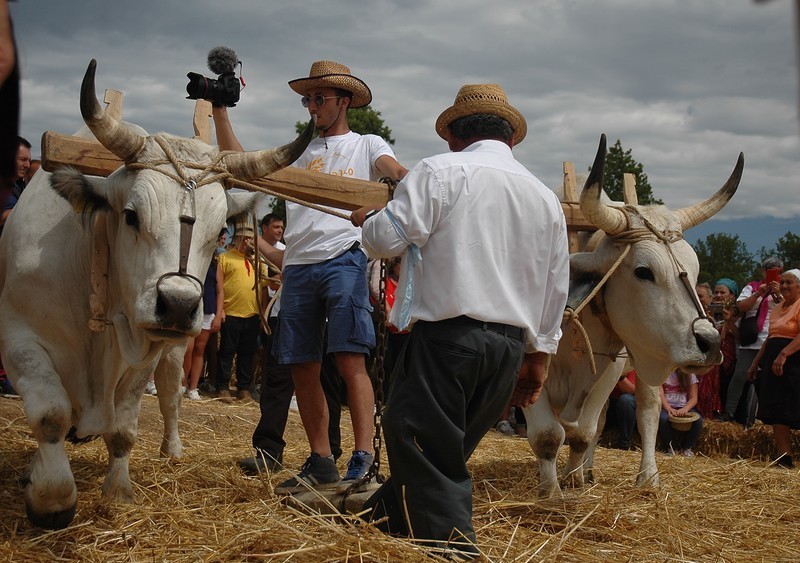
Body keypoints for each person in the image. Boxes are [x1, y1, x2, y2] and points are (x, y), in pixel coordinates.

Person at [354, 83, 570, 556]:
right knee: (440, 449)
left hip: (448, 340)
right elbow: (556, 287)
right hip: (507, 349)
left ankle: (455, 550)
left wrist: (369, 219)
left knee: (417, 438)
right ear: (511, 139)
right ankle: (384, 520)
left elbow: (388, 239)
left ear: (453, 135)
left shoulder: (438, 170)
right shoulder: (544, 198)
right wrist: (538, 361)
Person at [214, 60, 407, 492]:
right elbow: (242, 165)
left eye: (320, 98)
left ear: (344, 101)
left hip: (343, 256)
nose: (312, 106)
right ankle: (321, 459)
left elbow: (398, 176)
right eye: (308, 98)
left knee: (349, 357)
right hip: (299, 265)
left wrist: (382, 204)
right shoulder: (299, 150)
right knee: (302, 364)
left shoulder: (367, 143)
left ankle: (363, 456)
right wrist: (220, 111)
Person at [748, 269, 800, 468]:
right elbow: (770, 338)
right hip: (774, 360)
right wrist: (755, 363)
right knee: (779, 410)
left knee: (795, 405)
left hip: (794, 361)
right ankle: (784, 457)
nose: (784, 286)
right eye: (783, 282)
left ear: (799, 286)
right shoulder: (777, 308)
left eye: (789, 282)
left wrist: (785, 354)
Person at [721, 257, 783, 423]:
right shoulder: (752, 287)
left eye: (777, 271)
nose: (773, 274)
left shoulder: (785, 288)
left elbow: (789, 308)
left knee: (769, 380)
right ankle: (729, 412)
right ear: (763, 271)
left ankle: (767, 417)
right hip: (751, 340)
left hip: (772, 339)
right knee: (740, 376)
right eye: (770, 270)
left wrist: (777, 293)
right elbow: (740, 307)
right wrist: (759, 293)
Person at [215, 224, 268, 403]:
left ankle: (244, 388)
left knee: (247, 353)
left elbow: (264, 290)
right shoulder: (224, 258)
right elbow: (218, 287)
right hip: (231, 312)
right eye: (244, 239)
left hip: (252, 314)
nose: (247, 243)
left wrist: (263, 314)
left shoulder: (260, 262)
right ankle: (222, 387)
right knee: (227, 352)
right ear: (236, 239)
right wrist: (220, 309)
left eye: (251, 239)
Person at [182, 236, 225, 401]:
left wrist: (218, 314)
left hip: (208, 310)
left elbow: (220, 291)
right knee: (188, 349)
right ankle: (182, 384)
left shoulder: (216, 265)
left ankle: (193, 388)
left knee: (200, 350)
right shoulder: (191, 260)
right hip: (191, 309)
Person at [697, 278, 739, 418]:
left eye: (723, 292)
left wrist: (729, 321)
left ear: (732, 296)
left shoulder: (738, 313)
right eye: (716, 292)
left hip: (729, 357)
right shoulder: (709, 313)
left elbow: (740, 337)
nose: (719, 295)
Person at [658, 369, 703, 456]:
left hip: (684, 407)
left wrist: (685, 409)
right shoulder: (663, 371)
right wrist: (668, 408)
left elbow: (693, 398)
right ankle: (670, 448)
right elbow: (660, 394)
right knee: (663, 419)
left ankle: (687, 448)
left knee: (698, 420)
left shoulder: (690, 374)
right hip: (667, 407)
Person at [607, 370, 637, 450]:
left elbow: (630, 390)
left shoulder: (629, 366)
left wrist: (619, 375)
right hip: (609, 403)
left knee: (625, 400)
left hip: (627, 408)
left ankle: (624, 444)